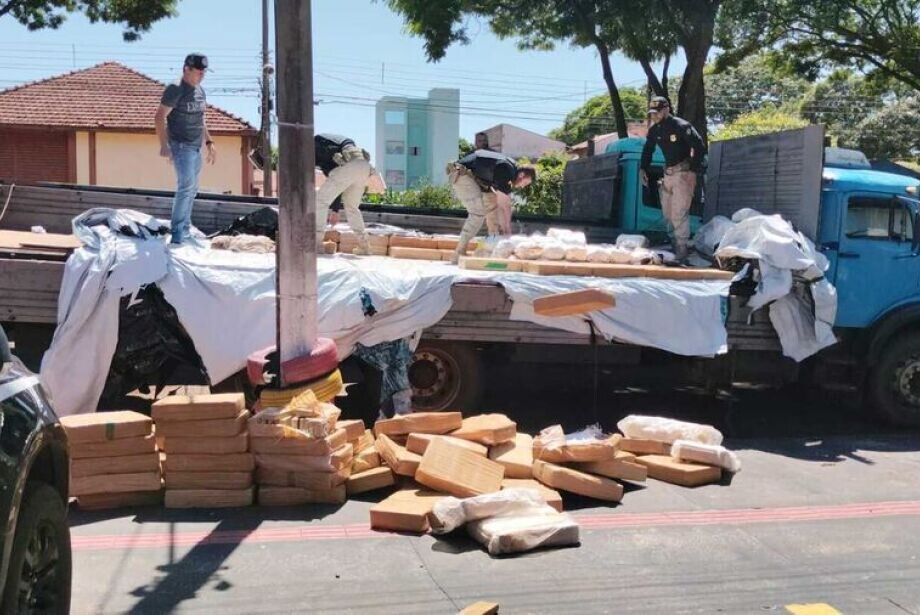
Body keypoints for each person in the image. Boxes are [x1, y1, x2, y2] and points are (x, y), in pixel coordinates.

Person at [155, 53, 216, 245]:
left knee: (192, 189)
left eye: (204, 72)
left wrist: (209, 142)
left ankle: (186, 229)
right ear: (186, 69)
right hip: (181, 146)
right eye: (199, 72)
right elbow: (159, 116)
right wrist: (164, 145)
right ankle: (178, 234)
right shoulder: (175, 89)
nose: (202, 75)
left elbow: (200, 119)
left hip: (196, 146)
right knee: (186, 187)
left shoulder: (200, 91)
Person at [640, 96, 706, 262]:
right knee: (667, 212)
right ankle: (673, 243)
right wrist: (643, 168)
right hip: (668, 174)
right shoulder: (655, 130)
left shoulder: (681, 126)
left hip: (683, 173)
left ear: (667, 109)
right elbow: (648, 149)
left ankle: (682, 247)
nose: (655, 115)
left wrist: (692, 169)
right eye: (652, 113)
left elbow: (699, 146)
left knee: (679, 212)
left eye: (658, 112)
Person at [446, 150, 536, 263]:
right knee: (478, 213)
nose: (522, 187)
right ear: (522, 175)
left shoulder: (509, 171)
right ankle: (458, 254)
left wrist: (504, 231)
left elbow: (500, 203)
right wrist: (507, 230)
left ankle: (492, 244)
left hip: (476, 178)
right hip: (462, 174)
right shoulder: (506, 170)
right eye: (525, 183)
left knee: (492, 204)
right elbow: (505, 205)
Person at [314, 133, 374, 254]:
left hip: (350, 165)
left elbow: (336, 178)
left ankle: (316, 243)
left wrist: (335, 210)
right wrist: (335, 210)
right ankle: (365, 246)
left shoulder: (315, 144)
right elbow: (338, 182)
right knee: (352, 208)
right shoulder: (328, 141)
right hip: (364, 166)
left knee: (320, 201)